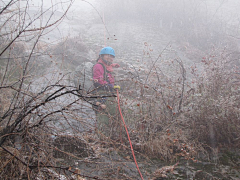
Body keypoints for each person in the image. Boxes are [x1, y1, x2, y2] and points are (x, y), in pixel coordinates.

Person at [92, 47, 120, 138]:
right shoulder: (98, 66)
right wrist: (110, 86)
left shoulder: (107, 67)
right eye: (108, 55)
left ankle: (108, 137)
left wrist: (114, 86)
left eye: (112, 56)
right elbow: (98, 80)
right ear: (102, 55)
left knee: (110, 116)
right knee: (103, 117)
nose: (110, 58)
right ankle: (102, 139)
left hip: (108, 94)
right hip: (101, 94)